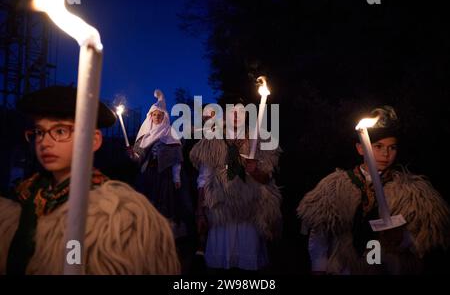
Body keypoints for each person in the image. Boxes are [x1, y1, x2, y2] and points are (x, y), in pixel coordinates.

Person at [0, 86, 180, 275]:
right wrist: (133, 155)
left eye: (60, 131)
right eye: (39, 132)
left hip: (162, 179)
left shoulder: (112, 214)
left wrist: (174, 176)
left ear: (94, 140)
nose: (45, 142)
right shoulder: (24, 196)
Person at [297, 106, 450, 274]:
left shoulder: (411, 191)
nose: (386, 153)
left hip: (388, 268)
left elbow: (426, 237)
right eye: (378, 146)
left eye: (392, 147)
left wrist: (402, 239)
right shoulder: (335, 185)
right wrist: (318, 267)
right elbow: (320, 234)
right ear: (361, 148)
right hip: (345, 268)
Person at [190, 101, 282, 271]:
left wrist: (255, 171)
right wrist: (200, 212)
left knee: (247, 261)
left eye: (240, 111)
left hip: (249, 210)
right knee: (221, 263)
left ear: (246, 116)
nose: (236, 114)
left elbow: (267, 178)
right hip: (221, 209)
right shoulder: (212, 142)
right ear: (224, 116)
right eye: (232, 111)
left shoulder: (259, 140)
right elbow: (203, 179)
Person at [128, 89, 186, 238]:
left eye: (160, 115)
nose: (157, 117)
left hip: (164, 177)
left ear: (164, 116)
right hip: (147, 175)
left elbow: (175, 160)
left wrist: (177, 178)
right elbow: (138, 158)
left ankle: (162, 236)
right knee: (146, 204)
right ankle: (143, 234)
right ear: (150, 116)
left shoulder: (170, 134)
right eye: (155, 115)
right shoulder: (144, 135)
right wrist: (132, 155)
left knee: (164, 206)